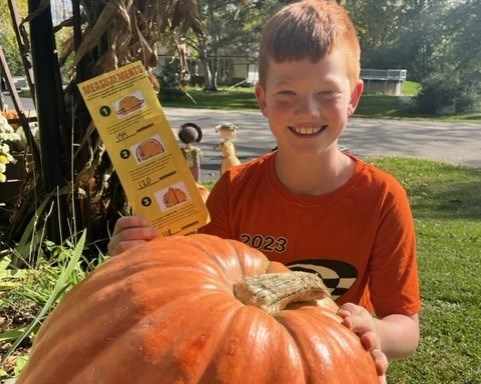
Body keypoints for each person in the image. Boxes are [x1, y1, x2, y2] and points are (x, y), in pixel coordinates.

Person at [108, 0, 421, 378]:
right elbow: (197, 282)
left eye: (327, 92)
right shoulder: (236, 189)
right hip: (241, 362)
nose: (307, 110)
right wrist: (139, 257)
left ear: (353, 97)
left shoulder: (382, 198)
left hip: (332, 364)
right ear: (263, 100)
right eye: (286, 93)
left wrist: (378, 332)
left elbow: (406, 327)